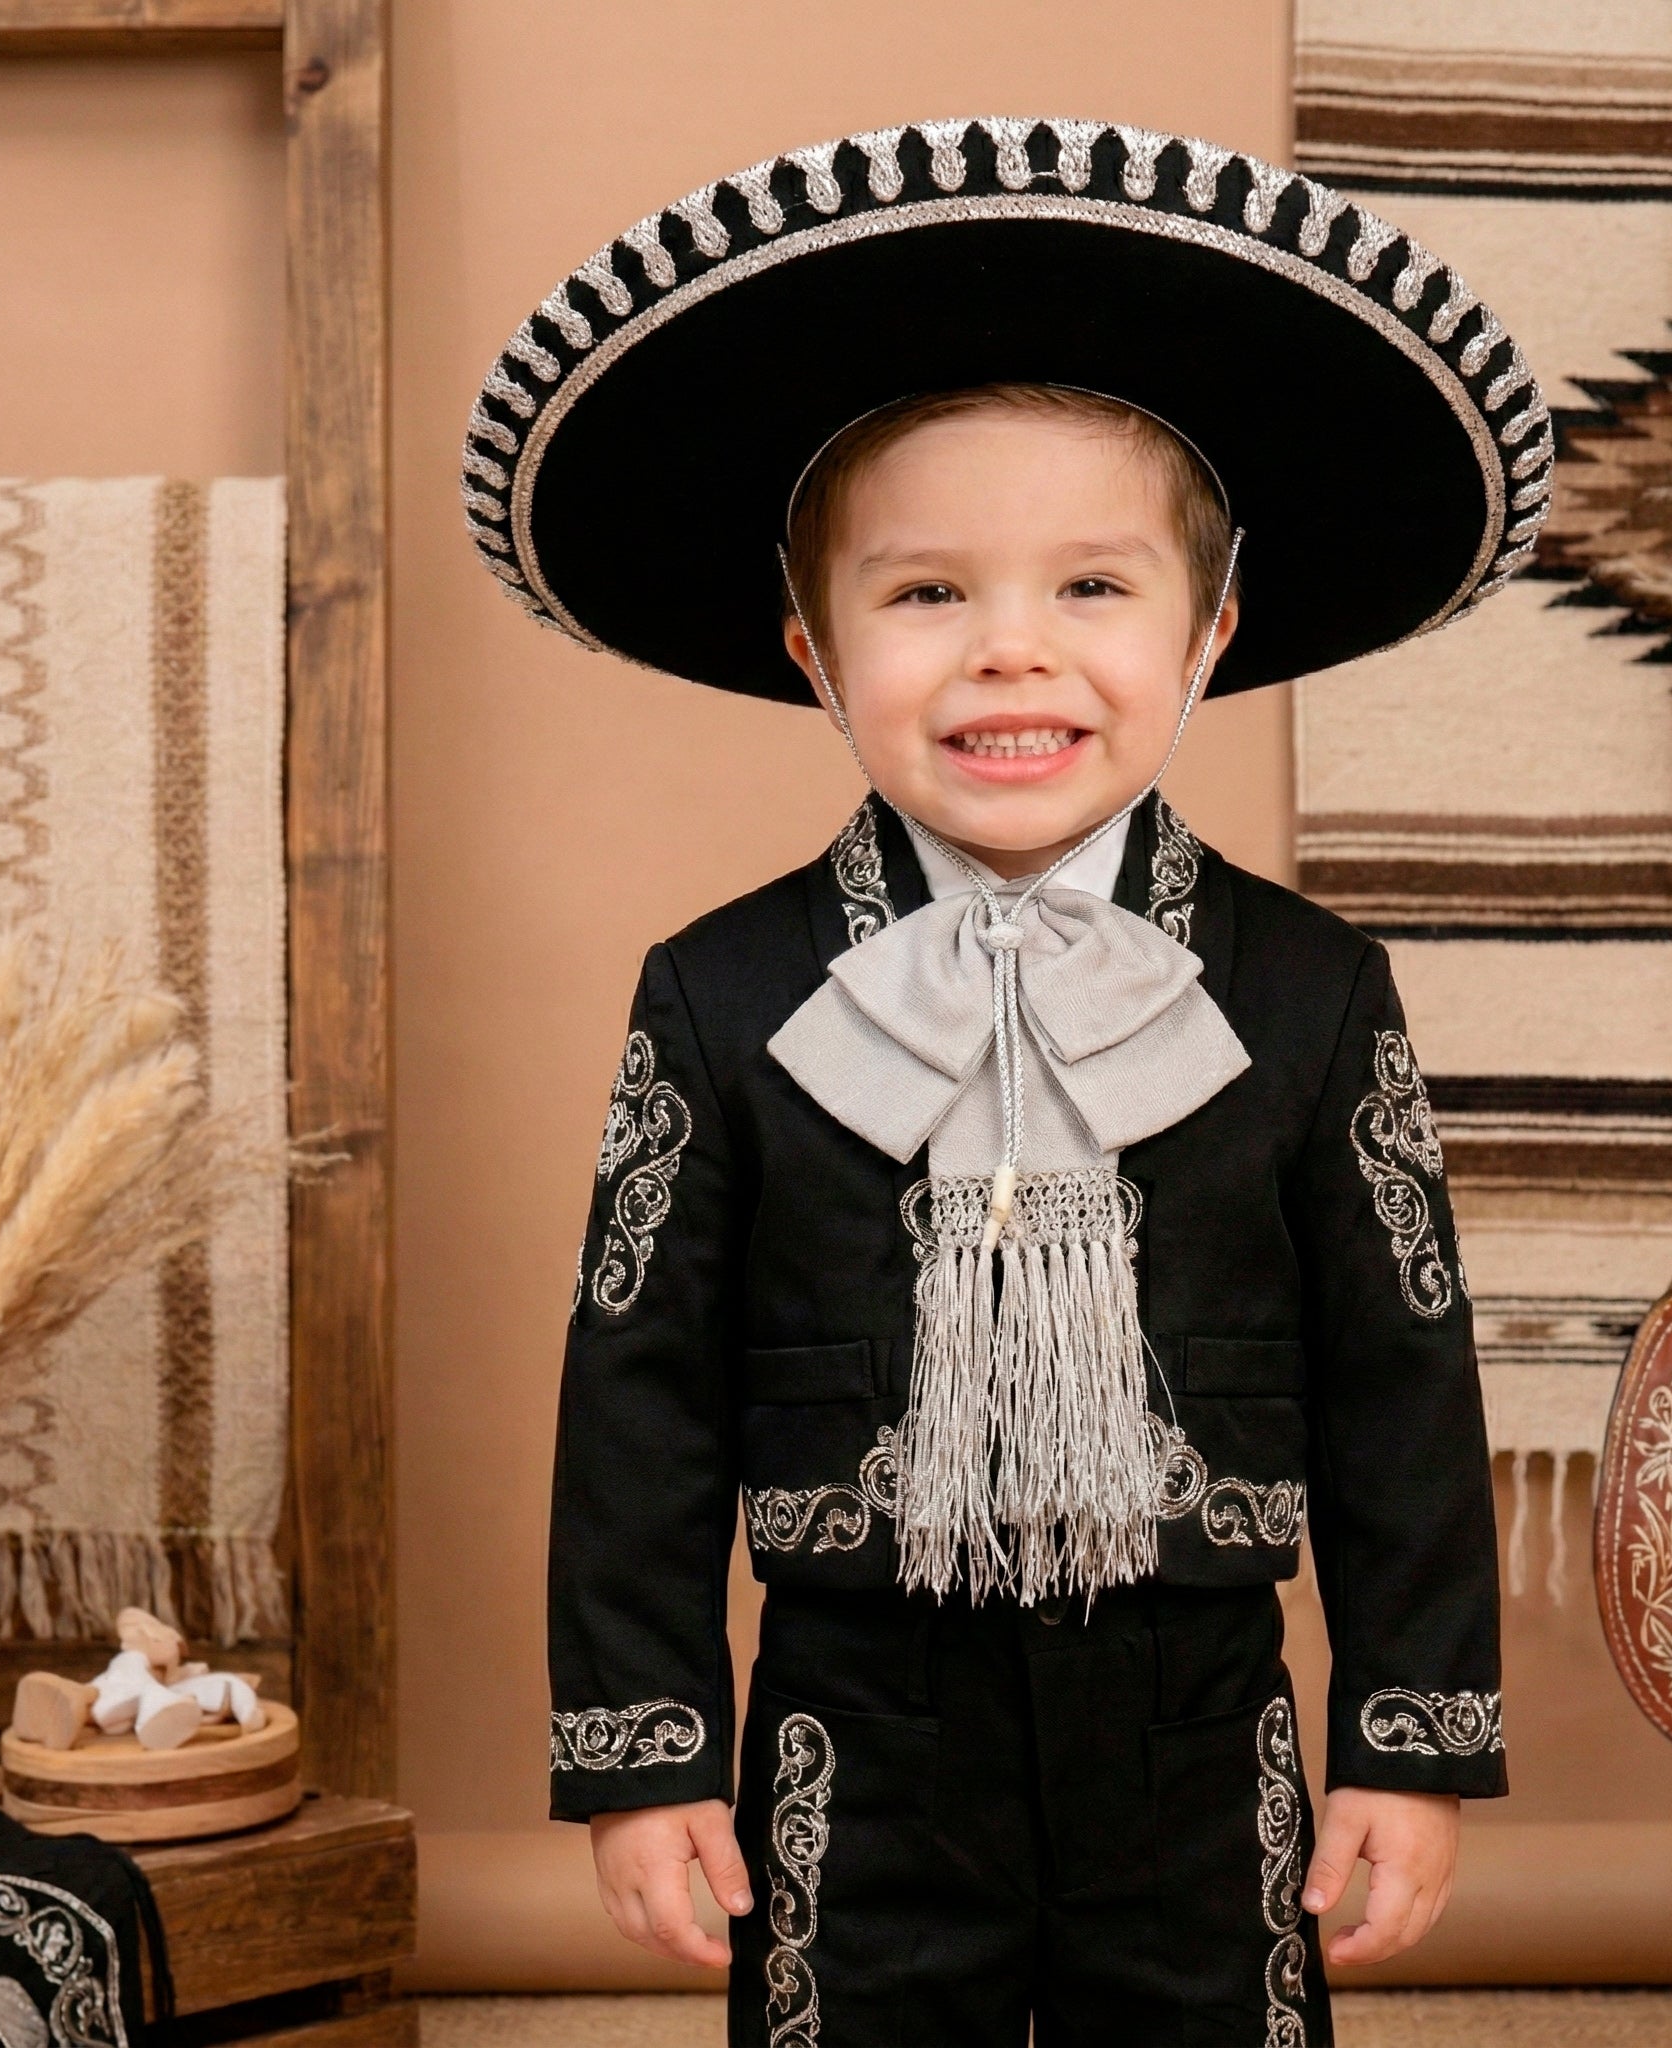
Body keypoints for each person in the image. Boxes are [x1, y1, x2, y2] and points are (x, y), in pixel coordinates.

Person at [465, 116, 1547, 2048]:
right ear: (815, 649)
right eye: (927, 595)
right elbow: (636, 1381)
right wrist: (643, 1753)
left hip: (1198, 1696)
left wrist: (1408, 1735)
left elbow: (1403, 1373)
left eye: (1095, 591)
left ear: (1213, 635)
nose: (1011, 654)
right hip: (853, 1708)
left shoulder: (1313, 988)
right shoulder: (716, 993)